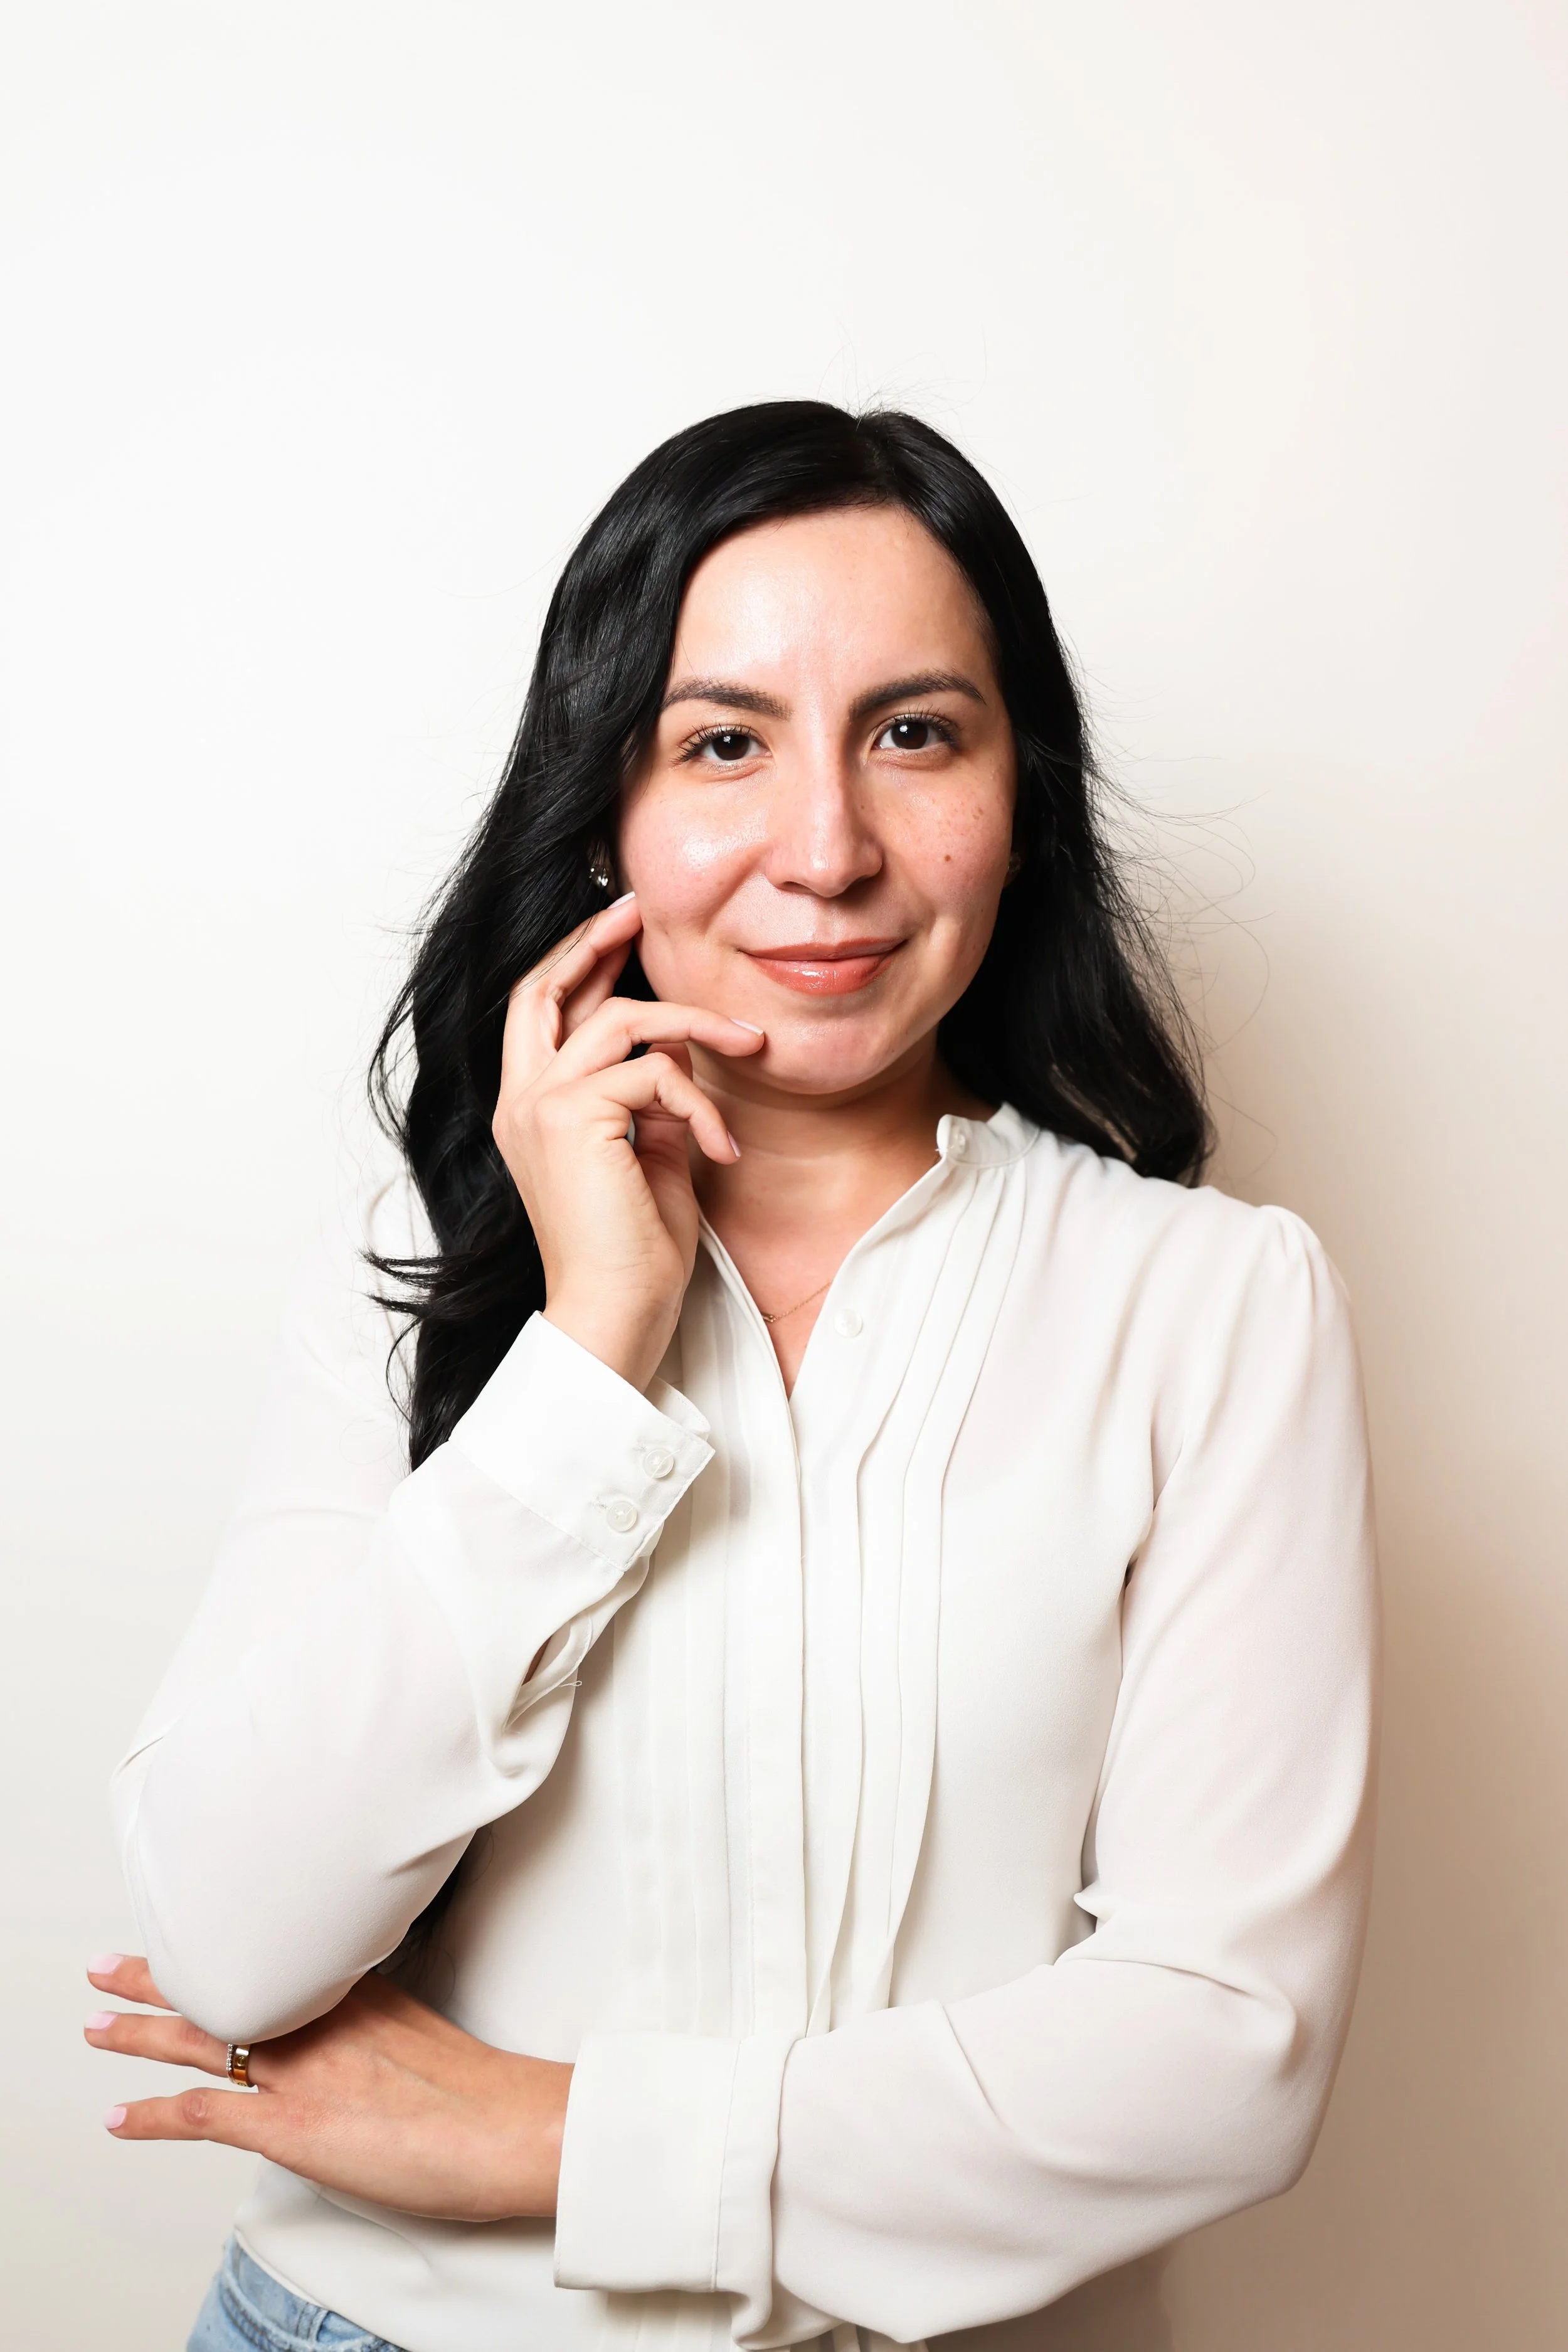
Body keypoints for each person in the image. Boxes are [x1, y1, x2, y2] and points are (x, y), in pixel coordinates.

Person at [87, 402, 1379, 2352]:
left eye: (913, 732)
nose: (827, 849)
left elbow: (1225, 2051)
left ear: (1022, 793)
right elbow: (227, 1929)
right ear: (603, 803)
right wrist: (589, 1351)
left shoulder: (1209, 1302)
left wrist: (554, 2136)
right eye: (722, 742)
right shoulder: (425, 1264)